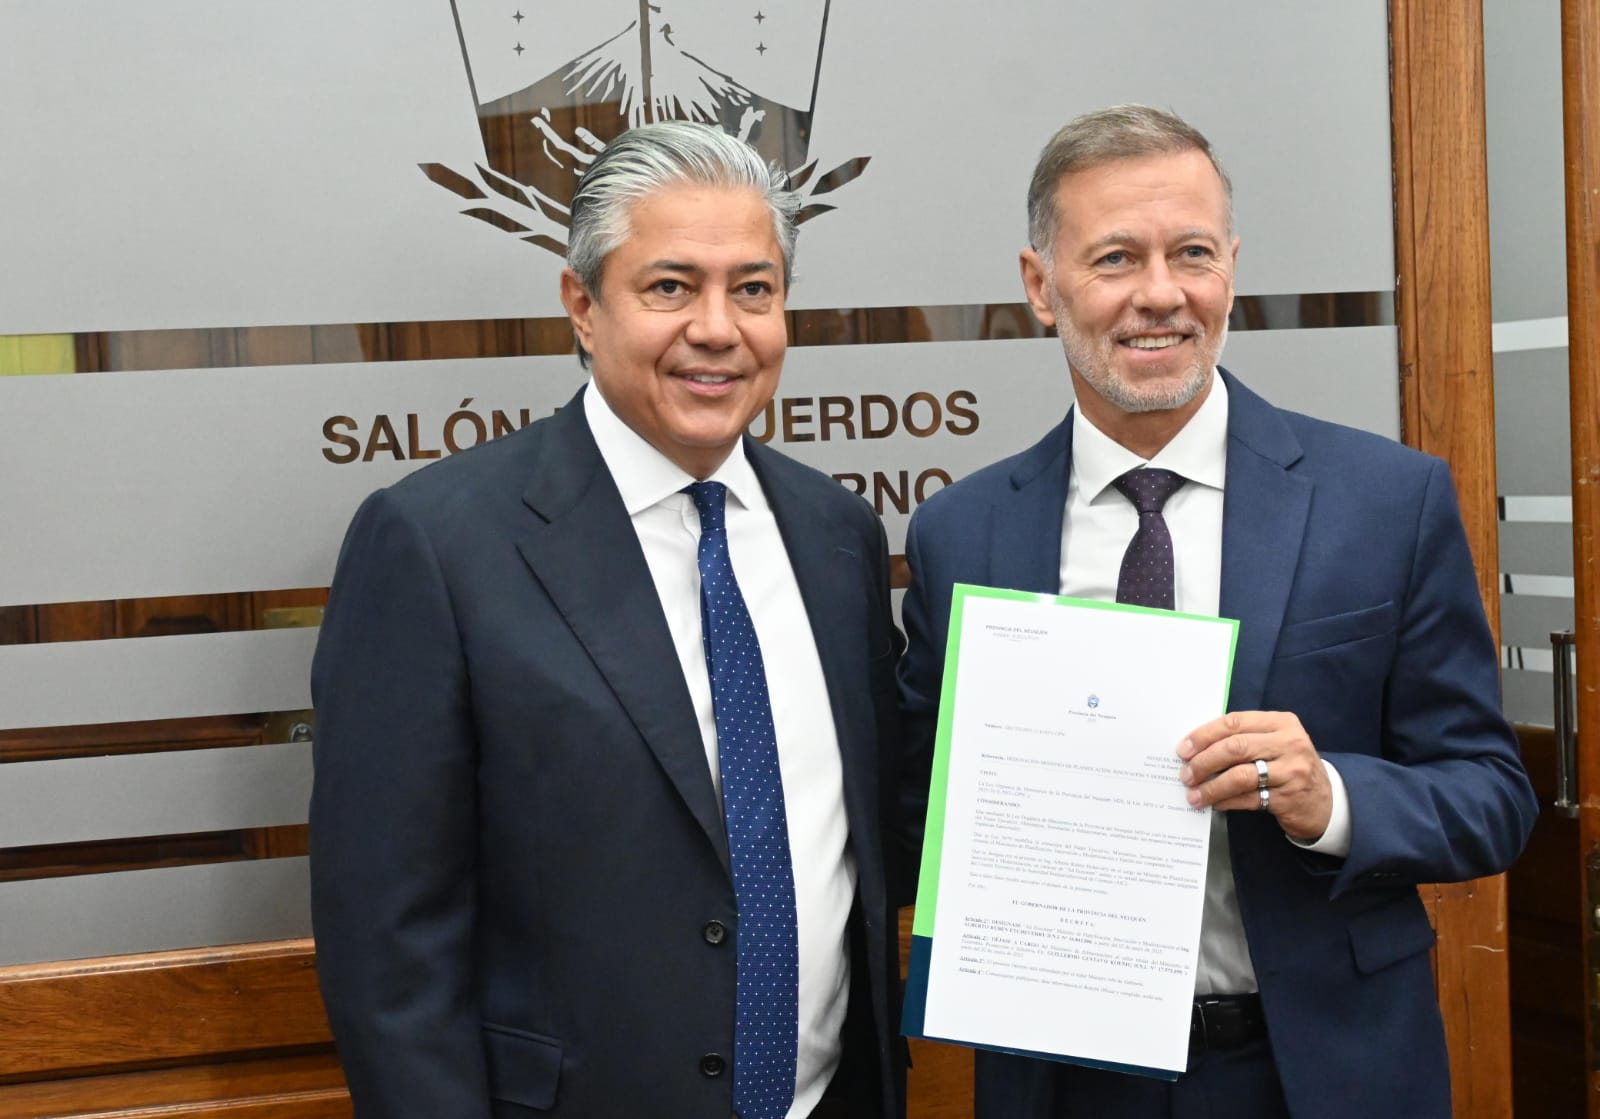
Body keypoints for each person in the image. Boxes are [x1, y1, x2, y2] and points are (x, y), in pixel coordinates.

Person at [896, 105, 1538, 1119]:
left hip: (1322, 1073)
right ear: (1038, 286)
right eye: (1114, 258)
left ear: (1230, 267)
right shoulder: (961, 534)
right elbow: (915, 811)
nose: (1161, 295)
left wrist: (1329, 796)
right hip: (1065, 1081)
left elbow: (1492, 797)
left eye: (1190, 253)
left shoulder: (1385, 502)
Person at [310, 120, 906, 1119]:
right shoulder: (435, 546)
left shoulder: (835, 535)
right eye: (669, 287)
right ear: (582, 306)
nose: (718, 328)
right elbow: (388, 947)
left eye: (752, 289)